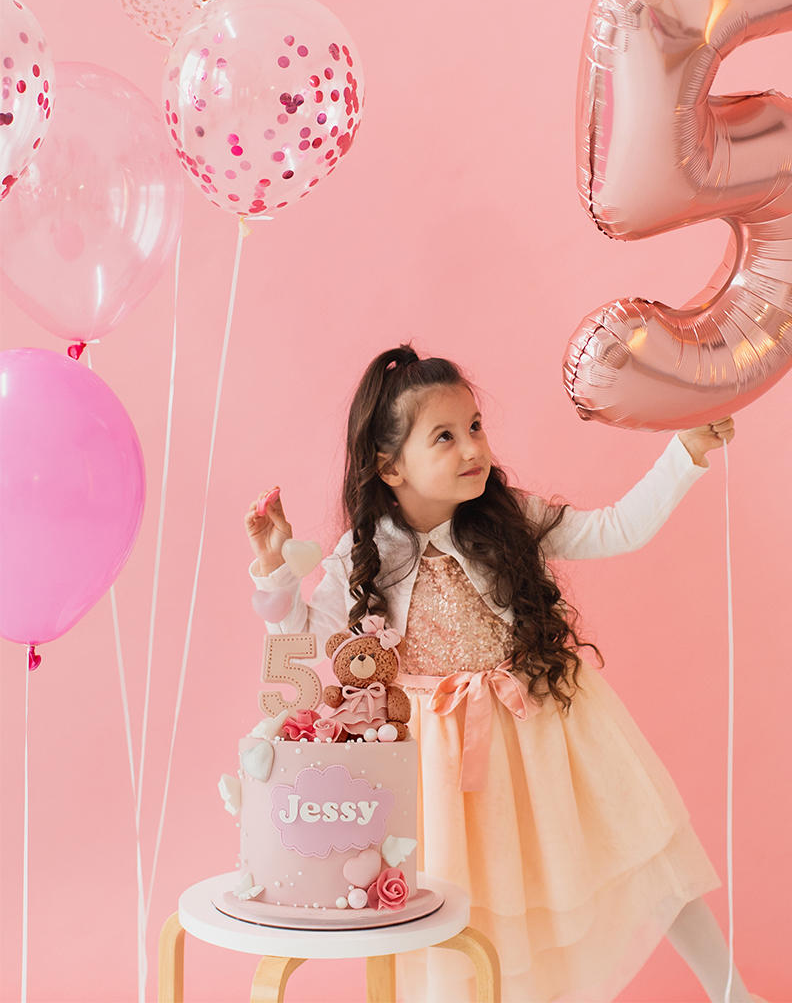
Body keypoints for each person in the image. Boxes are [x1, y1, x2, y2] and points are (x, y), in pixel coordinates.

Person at [244, 345, 761, 1003]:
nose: (472, 449)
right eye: (445, 437)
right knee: (471, 907)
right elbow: (301, 644)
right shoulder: (363, 555)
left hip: (542, 730)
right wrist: (273, 571)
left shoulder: (509, 517)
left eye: (475, 428)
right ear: (388, 464)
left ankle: (733, 992)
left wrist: (684, 452)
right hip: (440, 765)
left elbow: (617, 529)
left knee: (640, 848)